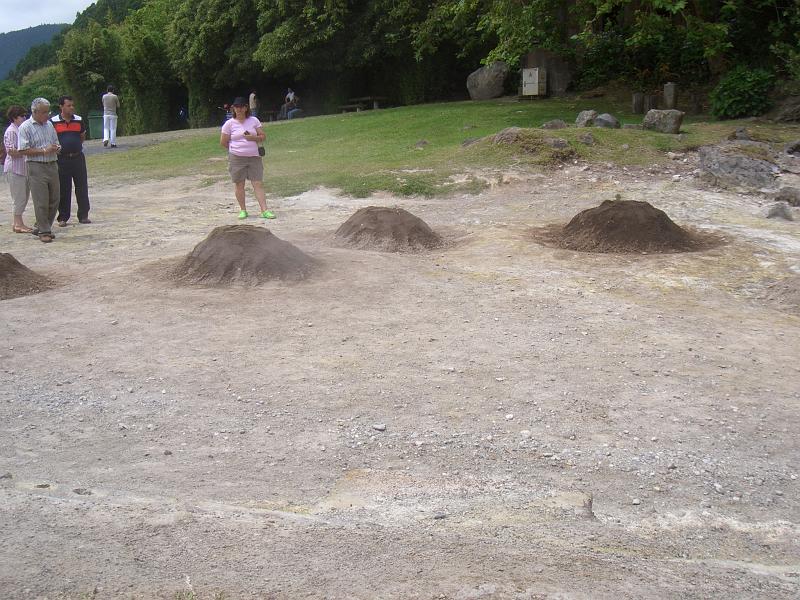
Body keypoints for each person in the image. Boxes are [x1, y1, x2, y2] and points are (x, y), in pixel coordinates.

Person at [219, 96, 275, 220]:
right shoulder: (229, 124)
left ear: (246, 108)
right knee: (239, 184)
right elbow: (223, 142)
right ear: (233, 109)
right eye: (236, 107)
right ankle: (243, 210)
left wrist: (253, 138)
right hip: (237, 158)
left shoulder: (253, 120)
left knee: (258, 183)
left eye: (241, 107)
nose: (238, 109)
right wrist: (235, 149)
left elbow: (263, 136)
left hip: (254, 156)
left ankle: (264, 210)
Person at [17, 97, 61, 243]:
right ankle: (44, 230)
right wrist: (43, 150)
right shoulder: (25, 127)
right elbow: (23, 149)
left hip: (52, 163)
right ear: (34, 112)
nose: (46, 115)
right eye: (43, 112)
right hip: (36, 166)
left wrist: (56, 148)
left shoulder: (49, 125)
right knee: (41, 199)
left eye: (48, 112)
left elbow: (55, 142)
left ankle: (42, 224)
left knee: (54, 199)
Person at [51, 95, 91, 226]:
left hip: (78, 157)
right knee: (64, 188)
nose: (72, 108)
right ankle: (63, 217)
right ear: (61, 106)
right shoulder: (53, 122)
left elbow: (82, 136)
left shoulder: (79, 120)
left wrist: (75, 146)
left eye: (72, 105)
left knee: (82, 187)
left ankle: (83, 215)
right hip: (62, 158)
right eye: (69, 105)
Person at [3, 105, 32, 233]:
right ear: (15, 118)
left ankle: (17, 223)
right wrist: (27, 151)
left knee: (24, 196)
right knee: (19, 197)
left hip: (22, 168)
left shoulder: (21, 130)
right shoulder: (11, 131)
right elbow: (11, 151)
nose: (24, 118)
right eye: (22, 116)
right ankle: (18, 223)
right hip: (15, 169)